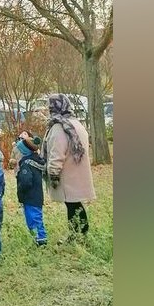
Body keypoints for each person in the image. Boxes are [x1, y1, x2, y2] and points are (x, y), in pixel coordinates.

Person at [42, 94, 97, 243]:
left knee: (72, 205)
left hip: (67, 175)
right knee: (75, 204)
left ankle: (76, 235)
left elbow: (56, 153)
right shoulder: (76, 124)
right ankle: (80, 234)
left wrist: (53, 174)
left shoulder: (59, 127)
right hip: (78, 172)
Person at [14, 132, 48, 246]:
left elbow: (26, 181)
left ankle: (40, 239)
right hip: (37, 195)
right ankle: (38, 237)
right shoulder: (37, 160)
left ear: (24, 151)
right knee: (36, 216)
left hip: (29, 196)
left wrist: (21, 189)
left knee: (33, 218)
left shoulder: (26, 165)